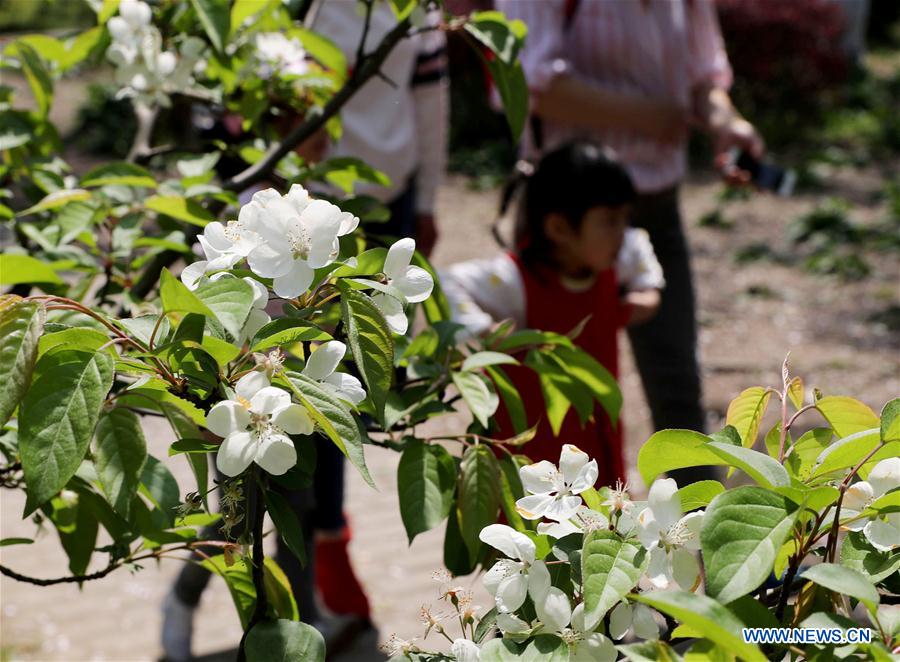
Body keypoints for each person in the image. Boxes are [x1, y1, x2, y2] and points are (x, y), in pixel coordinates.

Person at [496, 0, 764, 483]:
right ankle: (552, 550)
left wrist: (724, 120)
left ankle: (698, 543)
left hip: (655, 208)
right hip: (568, 219)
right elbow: (523, 79)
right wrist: (646, 116)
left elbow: (704, 76)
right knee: (553, 400)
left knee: (678, 388)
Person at [441, 142, 664, 484]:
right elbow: (448, 283)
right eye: (609, 221)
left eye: (624, 217)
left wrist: (648, 294)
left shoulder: (615, 259)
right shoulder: (517, 281)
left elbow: (641, 250)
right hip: (529, 445)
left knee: (598, 516)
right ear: (559, 228)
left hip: (597, 434)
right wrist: (484, 329)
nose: (623, 231)